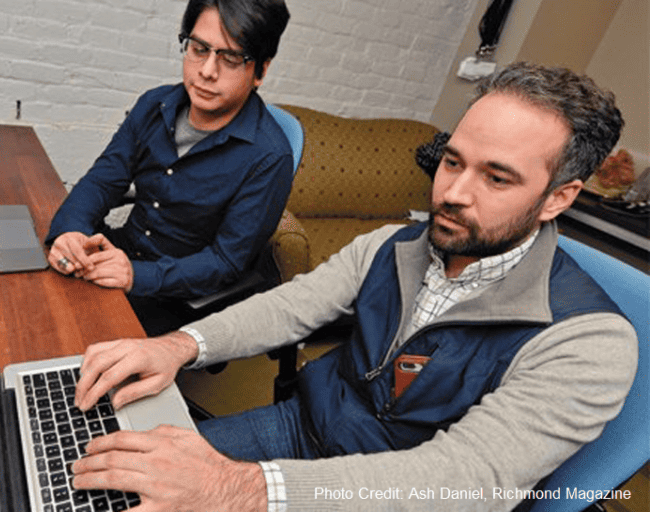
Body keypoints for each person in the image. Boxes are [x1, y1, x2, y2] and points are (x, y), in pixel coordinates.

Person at [68, 62, 638, 511]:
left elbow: (462, 482)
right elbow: (292, 306)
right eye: (452, 162)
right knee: (97, 480)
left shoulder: (591, 344)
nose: (454, 193)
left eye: (496, 177)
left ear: (559, 197)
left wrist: (239, 490)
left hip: (396, 495)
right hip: (303, 426)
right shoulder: (394, 243)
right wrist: (179, 345)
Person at [45, 0, 292, 335]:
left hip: (176, 297)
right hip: (120, 253)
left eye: (231, 57)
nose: (207, 70)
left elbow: (226, 261)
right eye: (199, 48)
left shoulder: (269, 156)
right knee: (36, 300)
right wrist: (71, 232)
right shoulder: (153, 105)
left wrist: (136, 275)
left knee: (72, 346)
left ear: (260, 70)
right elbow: (103, 180)